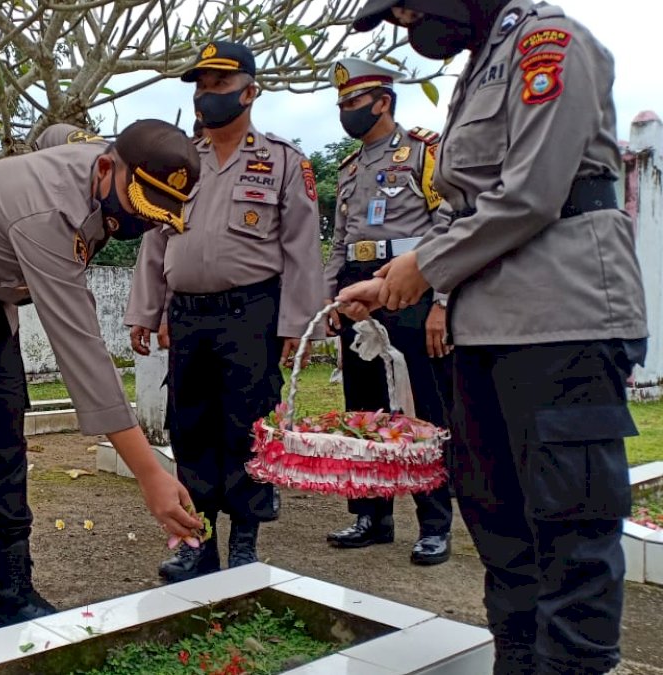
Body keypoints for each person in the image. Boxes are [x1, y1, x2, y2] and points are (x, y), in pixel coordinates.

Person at [341, 2, 648, 673]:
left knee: (569, 537)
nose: (406, 20)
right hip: (483, 332)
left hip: (562, 324)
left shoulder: (547, 43)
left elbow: (531, 193)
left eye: (407, 4)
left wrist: (424, 266)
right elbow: (466, 210)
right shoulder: (481, 66)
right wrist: (392, 281)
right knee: (500, 535)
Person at [0, 119, 205, 654]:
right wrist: (150, 474)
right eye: (139, 203)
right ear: (105, 168)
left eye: (156, 213)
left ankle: (10, 597)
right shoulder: (49, 218)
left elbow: (55, 135)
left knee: (4, 440)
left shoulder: (101, 157)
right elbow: (83, 355)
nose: (141, 219)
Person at [125, 41, 324, 583]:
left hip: (251, 313)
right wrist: (146, 312)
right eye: (201, 85)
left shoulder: (283, 162)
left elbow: (302, 250)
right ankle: (197, 541)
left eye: (219, 84)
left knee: (247, 427)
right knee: (190, 428)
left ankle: (244, 544)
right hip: (188, 316)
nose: (207, 95)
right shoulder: (180, 161)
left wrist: (298, 326)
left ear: (249, 92)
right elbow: (155, 242)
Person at [322, 58, 454, 566]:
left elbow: (449, 228)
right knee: (365, 408)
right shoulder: (349, 169)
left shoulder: (422, 152)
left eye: (354, 102)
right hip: (358, 289)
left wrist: (441, 302)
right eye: (341, 104)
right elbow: (340, 241)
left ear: (383, 102)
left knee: (422, 412)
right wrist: (332, 297)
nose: (346, 111)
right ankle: (370, 516)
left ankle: (434, 523)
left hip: (411, 288)